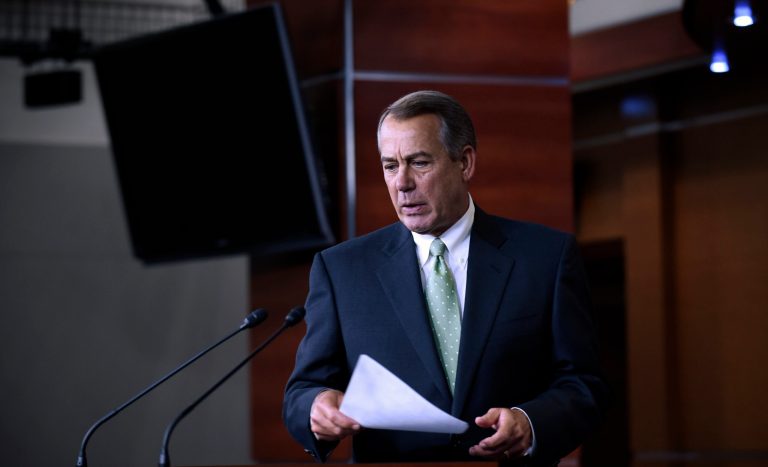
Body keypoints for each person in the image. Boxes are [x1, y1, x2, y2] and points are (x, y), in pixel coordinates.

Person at [283, 90, 606, 466]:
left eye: (419, 163)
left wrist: (530, 422)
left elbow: (584, 384)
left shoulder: (545, 257)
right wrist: (316, 408)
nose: (402, 183)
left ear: (464, 162)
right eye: (390, 166)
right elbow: (302, 390)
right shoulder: (342, 269)